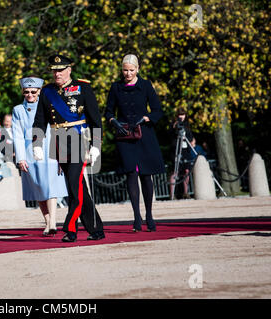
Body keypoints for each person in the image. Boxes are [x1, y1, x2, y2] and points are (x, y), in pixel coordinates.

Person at [32, 54, 105, 242]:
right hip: (58, 142)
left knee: (74, 186)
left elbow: (95, 119)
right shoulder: (47, 91)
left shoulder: (83, 88)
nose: (57, 74)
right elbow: (40, 120)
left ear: (69, 70)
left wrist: (95, 145)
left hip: (79, 140)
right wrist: (36, 143)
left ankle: (70, 229)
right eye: (54, 71)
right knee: (78, 188)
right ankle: (96, 228)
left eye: (61, 70)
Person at [104, 53, 165, 232]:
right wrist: (114, 122)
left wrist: (146, 118)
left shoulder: (145, 85)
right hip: (125, 136)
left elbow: (157, 110)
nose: (128, 73)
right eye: (125, 70)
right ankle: (136, 216)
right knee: (131, 174)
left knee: (146, 176)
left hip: (144, 135)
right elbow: (108, 111)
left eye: (131, 70)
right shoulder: (115, 87)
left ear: (137, 69)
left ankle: (149, 214)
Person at [12, 76, 68, 236]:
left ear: (39, 91)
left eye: (33, 92)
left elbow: (59, 130)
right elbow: (17, 135)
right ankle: (47, 221)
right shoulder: (18, 110)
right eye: (26, 92)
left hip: (49, 151)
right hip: (29, 153)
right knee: (38, 189)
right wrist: (21, 158)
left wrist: (60, 153)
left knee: (51, 188)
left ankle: (52, 222)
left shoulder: (49, 106)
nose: (30, 95)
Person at [169, 108, 194, 200]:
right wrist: (175, 127)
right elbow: (170, 136)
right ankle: (172, 194)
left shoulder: (187, 126)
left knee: (186, 171)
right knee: (175, 171)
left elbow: (190, 137)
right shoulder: (173, 125)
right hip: (176, 149)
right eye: (180, 115)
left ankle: (186, 192)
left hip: (185, 149)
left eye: (183, 115)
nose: (181, 117)